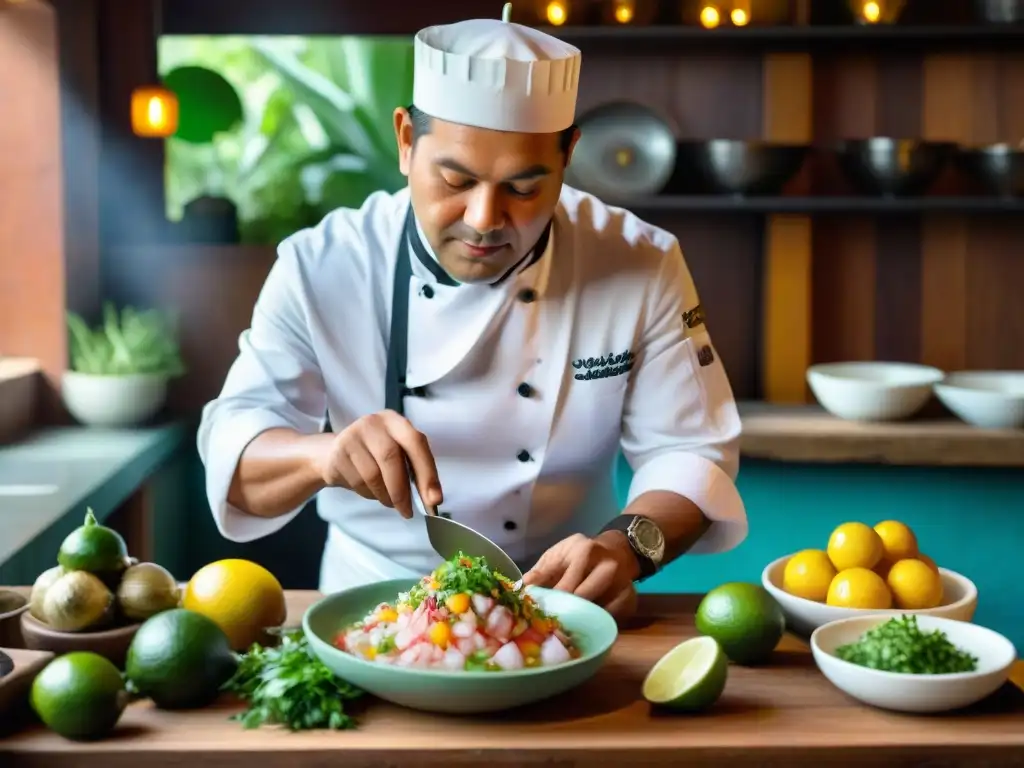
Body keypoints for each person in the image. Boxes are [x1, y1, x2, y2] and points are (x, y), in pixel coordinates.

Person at [197, 3, 747, 620]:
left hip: (562, 603)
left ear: (569, 156)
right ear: (406, 141)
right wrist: (321, 456)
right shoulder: (322, 266)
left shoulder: (640, 264)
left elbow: (692, 454)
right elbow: (235, 453)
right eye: (455, 182)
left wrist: (624, 547)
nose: (485, 220)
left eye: (522, 188)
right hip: (367, 603)